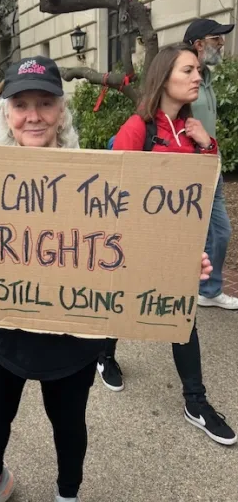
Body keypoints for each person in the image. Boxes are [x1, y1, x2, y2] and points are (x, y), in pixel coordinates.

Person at [0, 55, 214, 502]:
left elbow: (133, 239)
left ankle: (68, 494)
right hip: (1, 334)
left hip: (71, 338)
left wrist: (175, 265)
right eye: (21, 105)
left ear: (61, 112)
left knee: (69, 424)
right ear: (7, 114)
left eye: (44, 103)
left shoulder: (99, 180)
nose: (33, 115)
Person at [96, 45, 236, 446]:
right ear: (164, 77)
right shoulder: (138, 127)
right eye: (188, 70)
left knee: (182, 317)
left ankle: (196, 401)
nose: (197, 77)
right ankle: (105, 356)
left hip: (175, 248)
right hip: (131, 244)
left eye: (197, 71)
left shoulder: (191, 130)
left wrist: (206, 144)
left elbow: (204, 188)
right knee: (118, 303)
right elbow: (109, 191)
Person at [183, 18, 238, 310]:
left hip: (211, 164)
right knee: (206, 232)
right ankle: (201, 289)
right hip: (192, 170)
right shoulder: (182, 81)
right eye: (217, 39)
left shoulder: (207, 80)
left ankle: (208, 288)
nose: (222, 44)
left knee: (215, 231)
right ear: (199, 45)